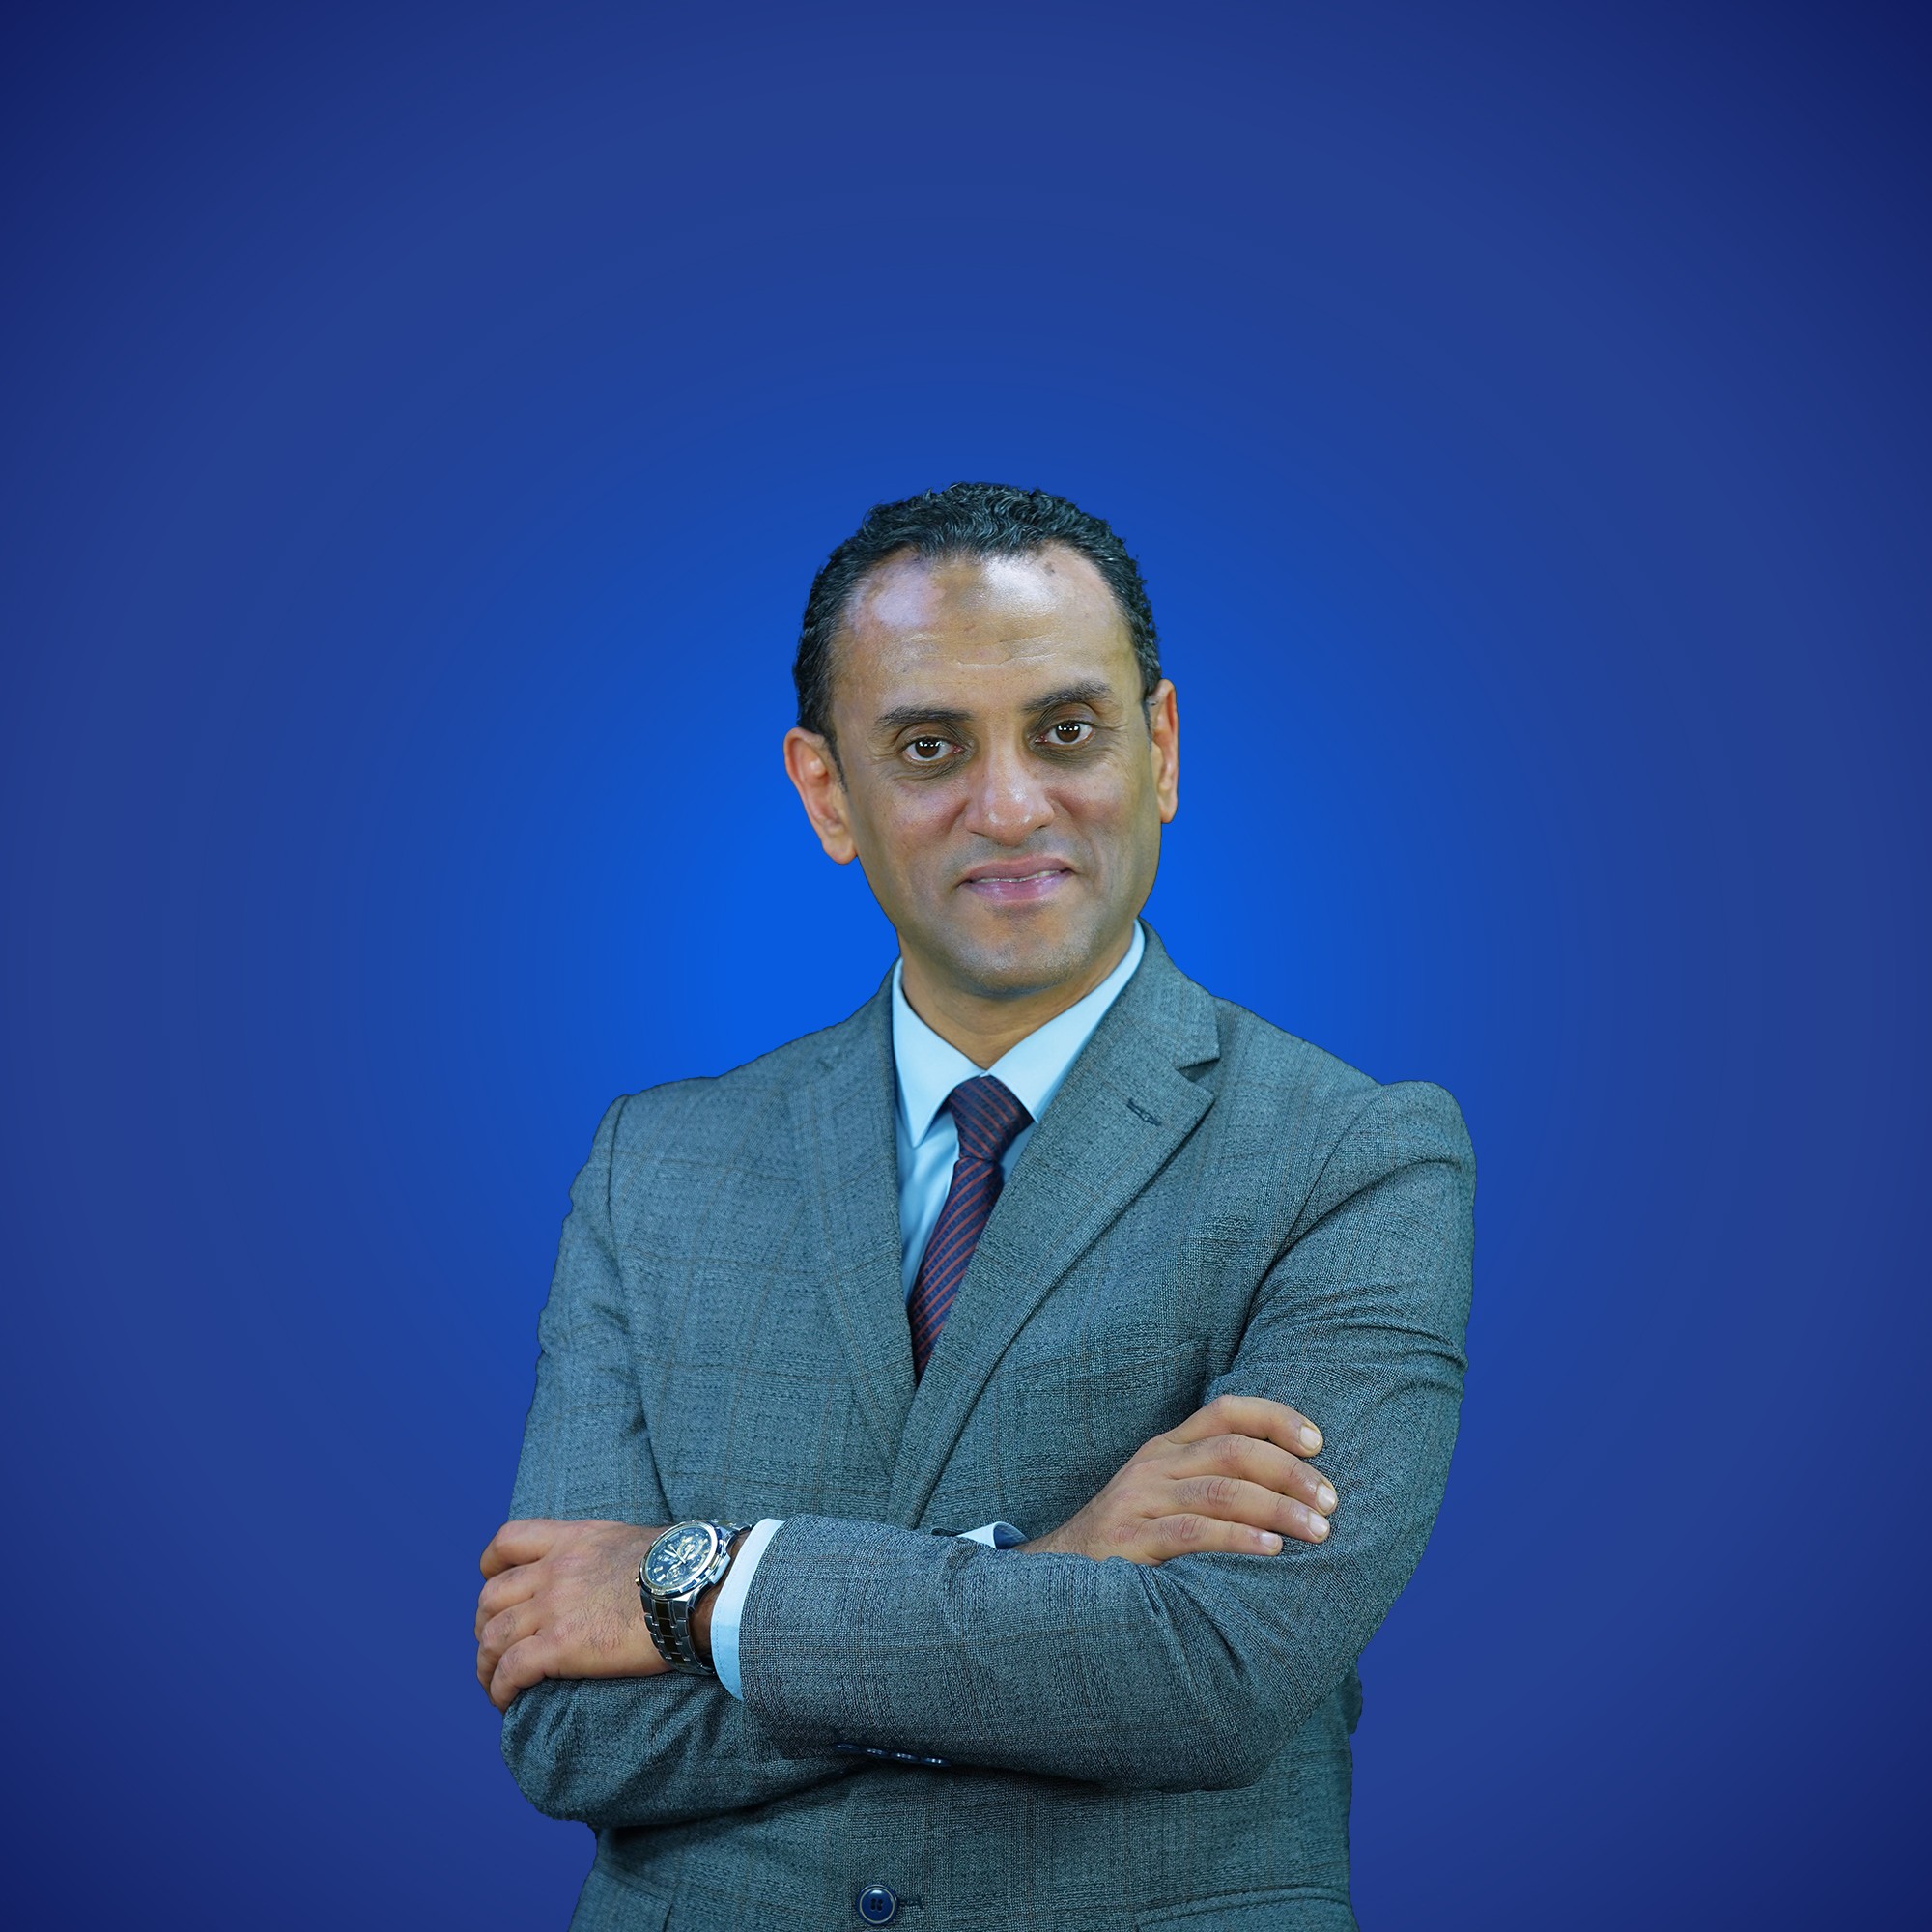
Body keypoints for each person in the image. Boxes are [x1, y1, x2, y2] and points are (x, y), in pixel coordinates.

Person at [474, 482, 1476, 1931]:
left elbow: (1212, 1679)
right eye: (930, 746)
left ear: (1161, 749)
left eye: (1066, 730)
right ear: (828, 793)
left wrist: (707, 1596)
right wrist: (1050, 1575)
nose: (1010, 807)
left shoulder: (1356, 1157)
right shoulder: (655, 1165)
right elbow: (566, 1725)